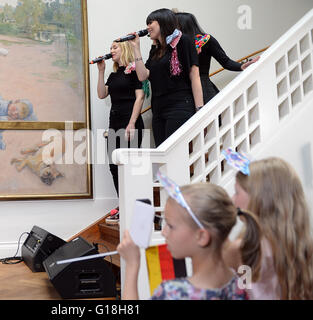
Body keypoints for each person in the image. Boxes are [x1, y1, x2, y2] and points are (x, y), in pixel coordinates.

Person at [117, 177, 262, 300]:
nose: (164, 232)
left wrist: (132, 265)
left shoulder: (172, 293)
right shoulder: (241, 285)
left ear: (202, 236)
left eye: (171, 226)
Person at [223, 157, 313, 299]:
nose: (233, 200)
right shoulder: (300, 245)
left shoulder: (243, 249)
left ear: (258, 198)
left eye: (236, 192)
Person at [130, 8, 204, 147]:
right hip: (158, 108)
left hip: (179, 105)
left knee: (173, 153)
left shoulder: (183, 41)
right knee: (161, 153)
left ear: (163, 22)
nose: (148, 27)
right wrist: (136, 48)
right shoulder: (156, 49)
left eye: (151, 22)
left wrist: (200, 110)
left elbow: (194, 76)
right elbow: (142, 75)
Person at [96, 40, 145, 223]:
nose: (111, 50)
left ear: (124, 49)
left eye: (115, 47)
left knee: (128, 168)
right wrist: (101, 71)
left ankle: (132, 206)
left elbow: (140, 98)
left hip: (130, 123)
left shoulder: (134, 71)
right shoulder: (114, 74)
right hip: (114, 124)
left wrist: (131, 123)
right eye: (110, 48)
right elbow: (102, 94)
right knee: (114, 167)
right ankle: (124, 204)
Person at [176, 12, 259, 104]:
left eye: (175, 26)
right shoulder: (173, 46)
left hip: (204, 88)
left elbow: (226, 62)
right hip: (181, 91)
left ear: (182, 26)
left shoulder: (206, 40)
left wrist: (241, 66)